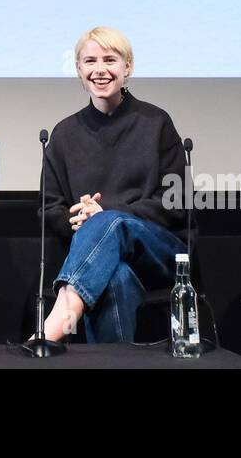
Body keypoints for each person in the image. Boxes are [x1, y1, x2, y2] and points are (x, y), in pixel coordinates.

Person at [39, 27, 188, 343]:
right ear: (78, 69)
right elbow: (48, 208)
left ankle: (54, 326)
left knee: (112, 221)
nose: (100, 69)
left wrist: (106, 213)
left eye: (110, 59)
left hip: (161, 253)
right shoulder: (64, 135)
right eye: (90, 61)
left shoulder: (156, 122)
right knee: (116, 278)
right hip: (98, 261)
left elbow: (175, 202)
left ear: (128, 67)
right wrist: (77, 218)